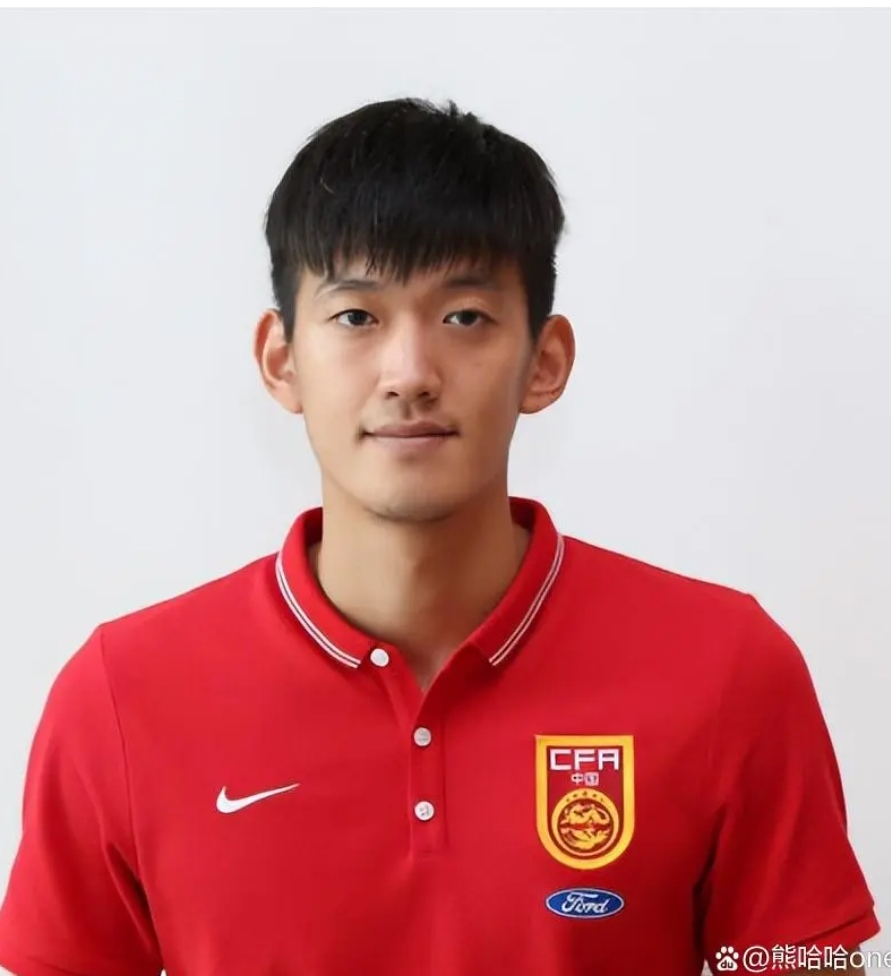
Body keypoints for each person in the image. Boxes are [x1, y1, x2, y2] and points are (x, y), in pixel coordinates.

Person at [0, 96, 880, 976]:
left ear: (544, 362)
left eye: (464, 316)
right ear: (281, 359)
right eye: (357, 317)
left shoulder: (726, 670)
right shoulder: (121, 699)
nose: (409, 374)